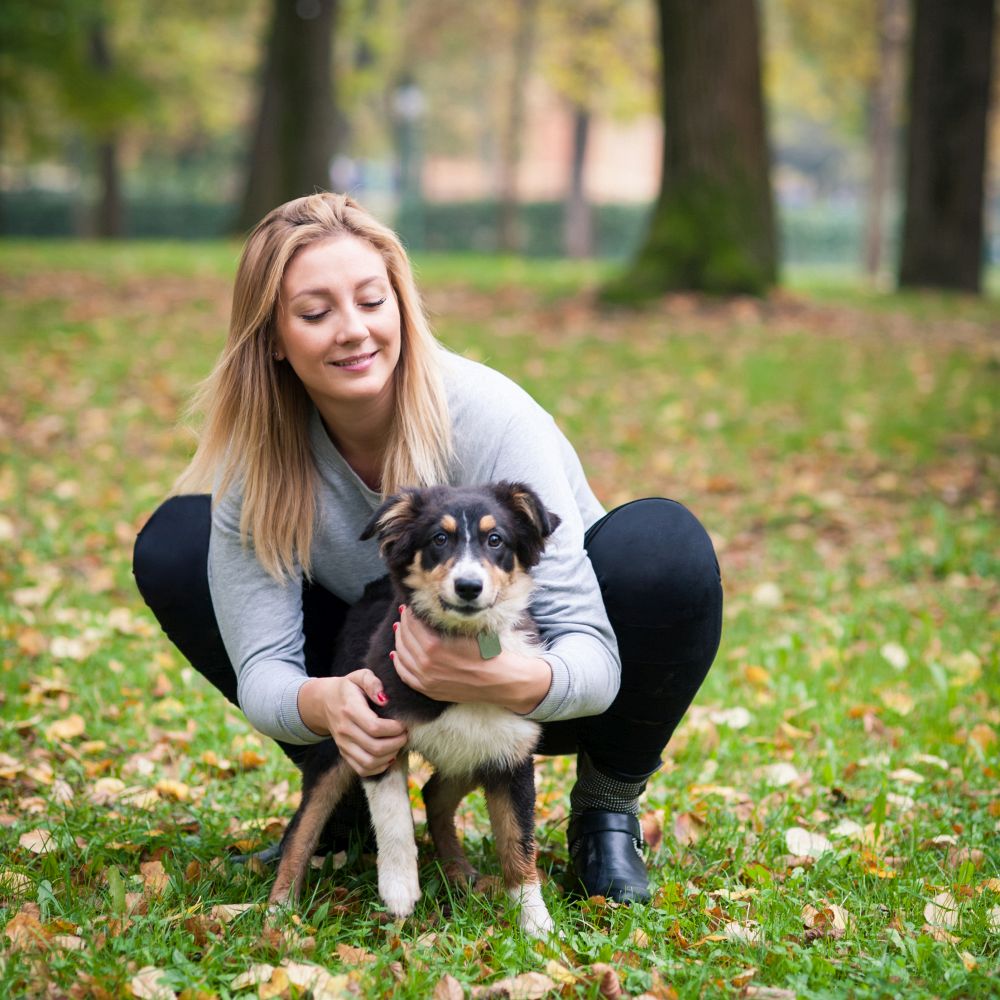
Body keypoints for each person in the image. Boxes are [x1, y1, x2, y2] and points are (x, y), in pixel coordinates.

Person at [132, 192, 722, 904]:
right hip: (389, 683)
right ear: (274, 338)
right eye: (316, 313)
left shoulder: (491, 418)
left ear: (403, 307)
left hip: (536, 704)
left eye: (372, 301)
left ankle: (605, 811)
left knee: (664, 548)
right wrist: (325, 705)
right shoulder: (258, 465)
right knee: (175, 542)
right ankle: (348, 794)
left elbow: (594, 661)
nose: (353, 331)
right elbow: (263, 672)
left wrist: (503, 679)